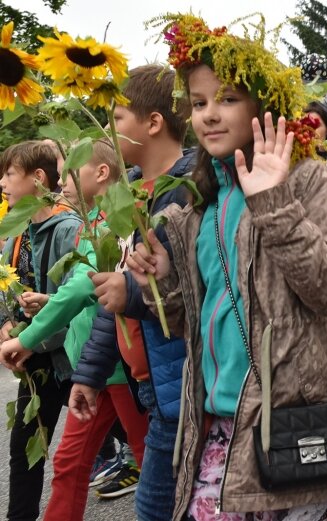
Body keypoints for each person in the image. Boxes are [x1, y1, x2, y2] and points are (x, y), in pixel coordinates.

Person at [126, 14, 327, 520]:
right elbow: (199, 320)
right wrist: (163, 287)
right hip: (217, 421)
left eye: (226, 99)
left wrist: (274, 206)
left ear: (262, 105)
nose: (209, 115)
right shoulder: (198, 203)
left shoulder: (308, 181)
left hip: (292, 417)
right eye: (199, 104)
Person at [67, 64, 195, 517]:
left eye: (118, 117)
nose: (108, 128)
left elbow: (190, 291)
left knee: (158, 508)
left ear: (153, 123)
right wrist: (90, 373)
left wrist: (133, 295)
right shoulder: (132, 197)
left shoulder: (187, 190)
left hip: (184, 390)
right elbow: (115, 295)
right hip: (153, 390)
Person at [0, 139, 148, 520]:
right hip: (95, 368)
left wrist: (27, 338)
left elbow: (84, 284)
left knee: (152, 462)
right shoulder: (93, 220)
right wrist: (52, 304)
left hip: (119, 367)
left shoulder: (116, 218)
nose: (61, 179)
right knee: (68, 464)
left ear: (100, 174)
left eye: (69, 171)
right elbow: (86, 292)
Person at [0, 140, 82, 521]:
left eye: (9, 174)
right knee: (24, 449)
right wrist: (6, 324)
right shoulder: (16, 231)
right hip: (36, 358)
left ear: (38, 178)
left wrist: (30, 340)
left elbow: (75, 304)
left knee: (108, 422)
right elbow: (5, 285)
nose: (2, 182)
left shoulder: (68, 230)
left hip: (67, 356)